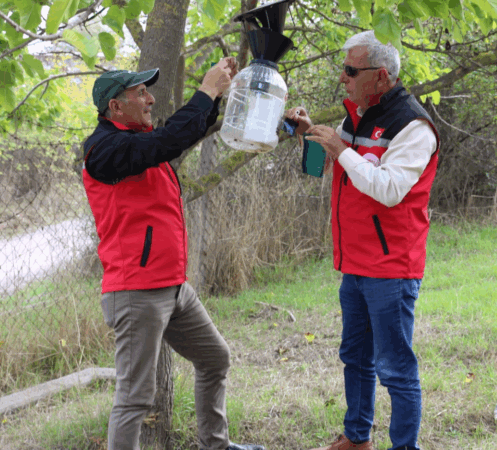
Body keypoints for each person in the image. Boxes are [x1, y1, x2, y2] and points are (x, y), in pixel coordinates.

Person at [82, 58, 265, 450]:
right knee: (135, 396)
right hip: (136, 291)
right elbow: (168, 140)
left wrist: (215, 96)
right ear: (115, 106)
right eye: (140, 94)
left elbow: (180, 134)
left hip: (173, 287)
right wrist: (206, 90)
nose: (150, 99)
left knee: (214, 358)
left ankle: (216, 446)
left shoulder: (141, 141)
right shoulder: (106, 149)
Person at [286, 31, 440, 450]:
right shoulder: (356, 116)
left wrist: (341, 149)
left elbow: (388, 189)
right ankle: (357, 438)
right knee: (354, 357)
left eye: (351, 71)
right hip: (354, 262)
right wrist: (308, 136)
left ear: (382, 76)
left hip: (391, 267)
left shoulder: (414, 127)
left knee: (395, 368)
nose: (343, 78)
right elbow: (321, 171)